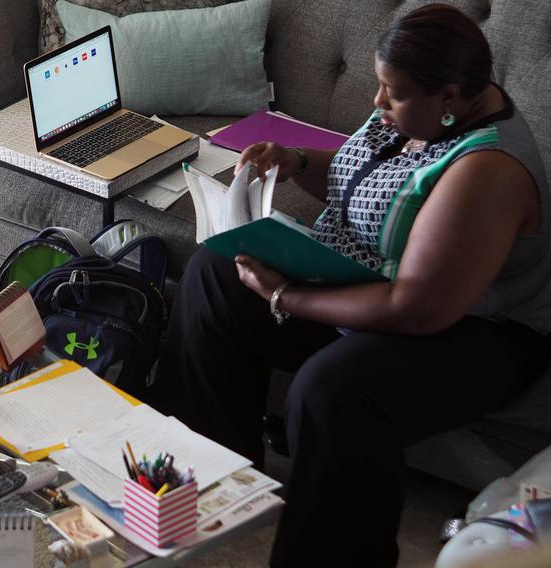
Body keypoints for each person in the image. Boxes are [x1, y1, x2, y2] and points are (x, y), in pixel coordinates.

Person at [150, 4, 551, 567]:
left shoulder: (487, 172)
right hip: (381, 277)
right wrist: (293, 161)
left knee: (334, 388)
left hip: (476, 330)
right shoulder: (420, 117)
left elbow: (416, 309)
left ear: (452, 96)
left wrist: (285, 297)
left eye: (392, 93)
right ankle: (209, 484)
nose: (376, 104)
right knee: (217, 274)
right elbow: (365, 179)